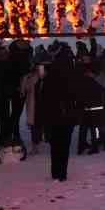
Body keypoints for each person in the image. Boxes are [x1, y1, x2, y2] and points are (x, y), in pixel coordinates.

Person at [36, 47, 83, 181]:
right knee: (63, 145)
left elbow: (44, 98)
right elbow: (76, 96)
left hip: (56, 115)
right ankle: (61, 173)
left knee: (56, 145)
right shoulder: (70, 75)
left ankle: (57, 172)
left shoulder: (50, 75)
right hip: (64, 114)